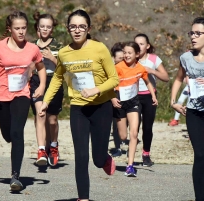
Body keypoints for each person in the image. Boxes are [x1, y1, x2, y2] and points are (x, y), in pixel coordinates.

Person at [38, 9, 119, 201]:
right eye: (73, 27)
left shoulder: (99, 49)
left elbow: (114, 79)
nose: (77, 30)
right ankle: (83, 198)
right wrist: (46, 101)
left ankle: (104, 158)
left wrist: (96, 90)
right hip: (79, 109)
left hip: (101, 107)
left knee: (97, 160)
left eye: (81, 26)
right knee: (81, 157)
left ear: (88, 28)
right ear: (68, 29)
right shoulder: (65, 53)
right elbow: (58, 78)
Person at [0, 11, 46, 191]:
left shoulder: (32, 48)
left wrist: (41, 86)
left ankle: (15, 177)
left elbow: (41, 68)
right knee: (8, 135)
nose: (21, 31)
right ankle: (10, 138)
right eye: (17, 28)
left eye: (24, 28)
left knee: (17, 133)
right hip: (0, 95)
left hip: (22, 94)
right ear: (10, 29)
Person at [171, 17, 204, 201]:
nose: (193, 36)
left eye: (198, 33)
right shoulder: (186, 57)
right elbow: (177, 79)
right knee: (199, 155)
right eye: (191, 33)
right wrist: (173, 101)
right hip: (195, 112)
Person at [112, 41, 158, 177]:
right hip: (119, 101)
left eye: (129, 53)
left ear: (137, 54)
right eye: (124, 52)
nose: (126, 55)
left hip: (133, 102)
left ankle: (130, 165)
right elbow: (109, 84)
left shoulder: (141, 68)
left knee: (133, 134)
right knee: (123, 136)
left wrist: (153, 96)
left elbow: (147, 81)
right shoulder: (118, 67)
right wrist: (112, 99)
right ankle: (123, 149)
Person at [30, 12, 64, 167]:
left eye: (48, 27)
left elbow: (65, 69)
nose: (45, 29)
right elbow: (27, 67)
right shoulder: (31, 46)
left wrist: (52, 57)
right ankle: (41, 150)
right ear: (38, 27)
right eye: (42, 26)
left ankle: (54, 146)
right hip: (37, 81)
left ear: (52, 29)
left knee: (52, 120)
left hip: (54, 82)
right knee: (40, 114)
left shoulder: (60, 46)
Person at [134, 33, 169, 167]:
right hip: (134, 97)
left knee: (147, 128)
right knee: (134, 127)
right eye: (136, 43)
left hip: (150, 97)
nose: (138, 46)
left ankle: (146, 154)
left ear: (147, 46)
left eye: (141, 44)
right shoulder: (131, 58)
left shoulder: (154, 59)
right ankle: (131, 152)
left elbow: (166, 77)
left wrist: (152, 71)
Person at [110, 42, 124, 157]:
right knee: (115, 122)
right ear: (113, 58)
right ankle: (118, 147)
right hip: (115, 95)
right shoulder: (110, 69)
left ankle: (124, 141)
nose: (122, 61)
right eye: (119, 59)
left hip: (128, 96)